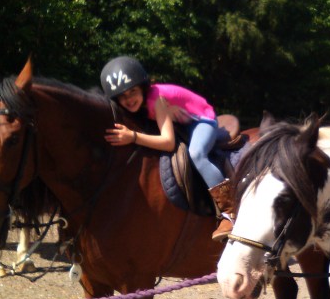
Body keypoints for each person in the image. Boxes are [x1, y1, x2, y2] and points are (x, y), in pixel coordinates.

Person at [100, 56, 234, 240]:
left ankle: (229, 211)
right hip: (182, 122)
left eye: (132, 91)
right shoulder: (141, 105)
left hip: (201, 120)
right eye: (123, 96)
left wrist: (132, 137)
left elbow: (168, 142)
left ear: (143, 88)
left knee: (196, 154)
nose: (129, 99)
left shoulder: (157, 100)